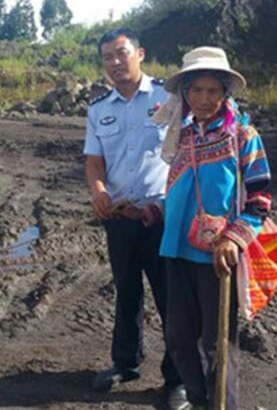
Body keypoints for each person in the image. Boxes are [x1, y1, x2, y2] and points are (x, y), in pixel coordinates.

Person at [139, 46, 272, 410]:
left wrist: (234, 238)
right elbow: (179, 193)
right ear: (184, 93)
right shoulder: (181, 137)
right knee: (180, 339)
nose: (203, 99)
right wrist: (153, 211)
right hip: (175, 251)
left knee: (218, 345)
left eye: (212, 91)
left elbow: (259, 200)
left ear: (225, 93)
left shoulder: (243, 137)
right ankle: (198, 402)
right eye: (196, 90)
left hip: (217, 258)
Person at [83, 28, 184, 403]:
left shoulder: (169, 98)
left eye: (121, 53)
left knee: (170, 298)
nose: (114, 62)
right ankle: (126, 362)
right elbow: (94, 162)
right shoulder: (99, 109)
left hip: (162, 218)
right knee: (126, 293)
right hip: (121, 218)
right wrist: (98, 190)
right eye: (107, 56)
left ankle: (178, 378)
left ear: (140, 53)